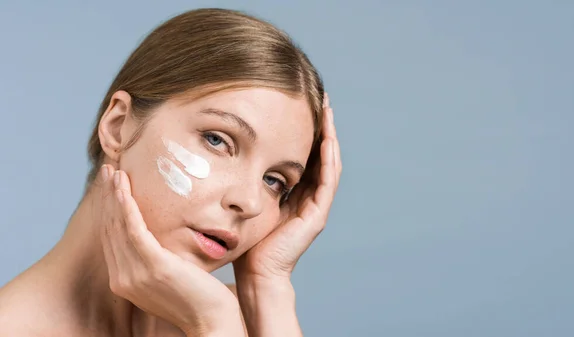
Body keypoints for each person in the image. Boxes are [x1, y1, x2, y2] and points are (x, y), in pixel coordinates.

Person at [0, 8, 341, 337]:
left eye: (274, 181)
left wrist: (268, 287)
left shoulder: (240, 317)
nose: (249, 202)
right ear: (118, 127)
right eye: (217, 140)